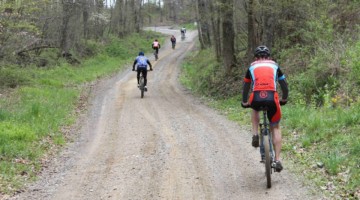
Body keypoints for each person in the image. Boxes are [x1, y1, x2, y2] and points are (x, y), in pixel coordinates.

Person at [241, 45, 288, 172]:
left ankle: (255, 134)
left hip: (256, 97)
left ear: (256, 58)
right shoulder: (275, 66)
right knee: (276, 127)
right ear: (269, 57)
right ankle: (277, 160)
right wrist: (284, 99)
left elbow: (246, 86)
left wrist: (244, 101)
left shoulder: (252, 66)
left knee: (254, 107)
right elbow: (284, 85)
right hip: (273, 98)